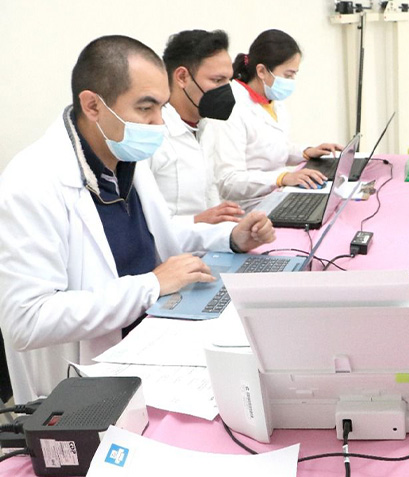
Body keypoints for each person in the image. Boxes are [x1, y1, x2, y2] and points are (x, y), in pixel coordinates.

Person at [0, 35, 276, 403]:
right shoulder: (32, 182)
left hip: (154, 339)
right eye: (146, 108)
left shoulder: (124, 158)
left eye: (162, 106)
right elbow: (27, 321)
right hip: (87, 385)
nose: (159, 122)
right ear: (93, 105)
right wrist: (150, 285)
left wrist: (228, 238)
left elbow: (155, 236)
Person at [200, 29, 341, 210]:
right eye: (288, 75)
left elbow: (273, 149)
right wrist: (281, 178)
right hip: (248, 208)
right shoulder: (231, 107)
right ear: (261, 71)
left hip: (276, 196)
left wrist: (306, 152)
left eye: (294, 75)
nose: (291, 81)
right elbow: (228, 181)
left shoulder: (271, 100)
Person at [149, 29, 244, 225]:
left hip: (205, 246)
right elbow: (143, 223)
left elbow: (209, 193)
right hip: (169, 252)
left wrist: (229, 224)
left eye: (229, 80)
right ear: (182, 77)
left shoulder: (205, 126)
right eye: (218, 80)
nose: (227, 90)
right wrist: (197, 221)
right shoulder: (153, 136)